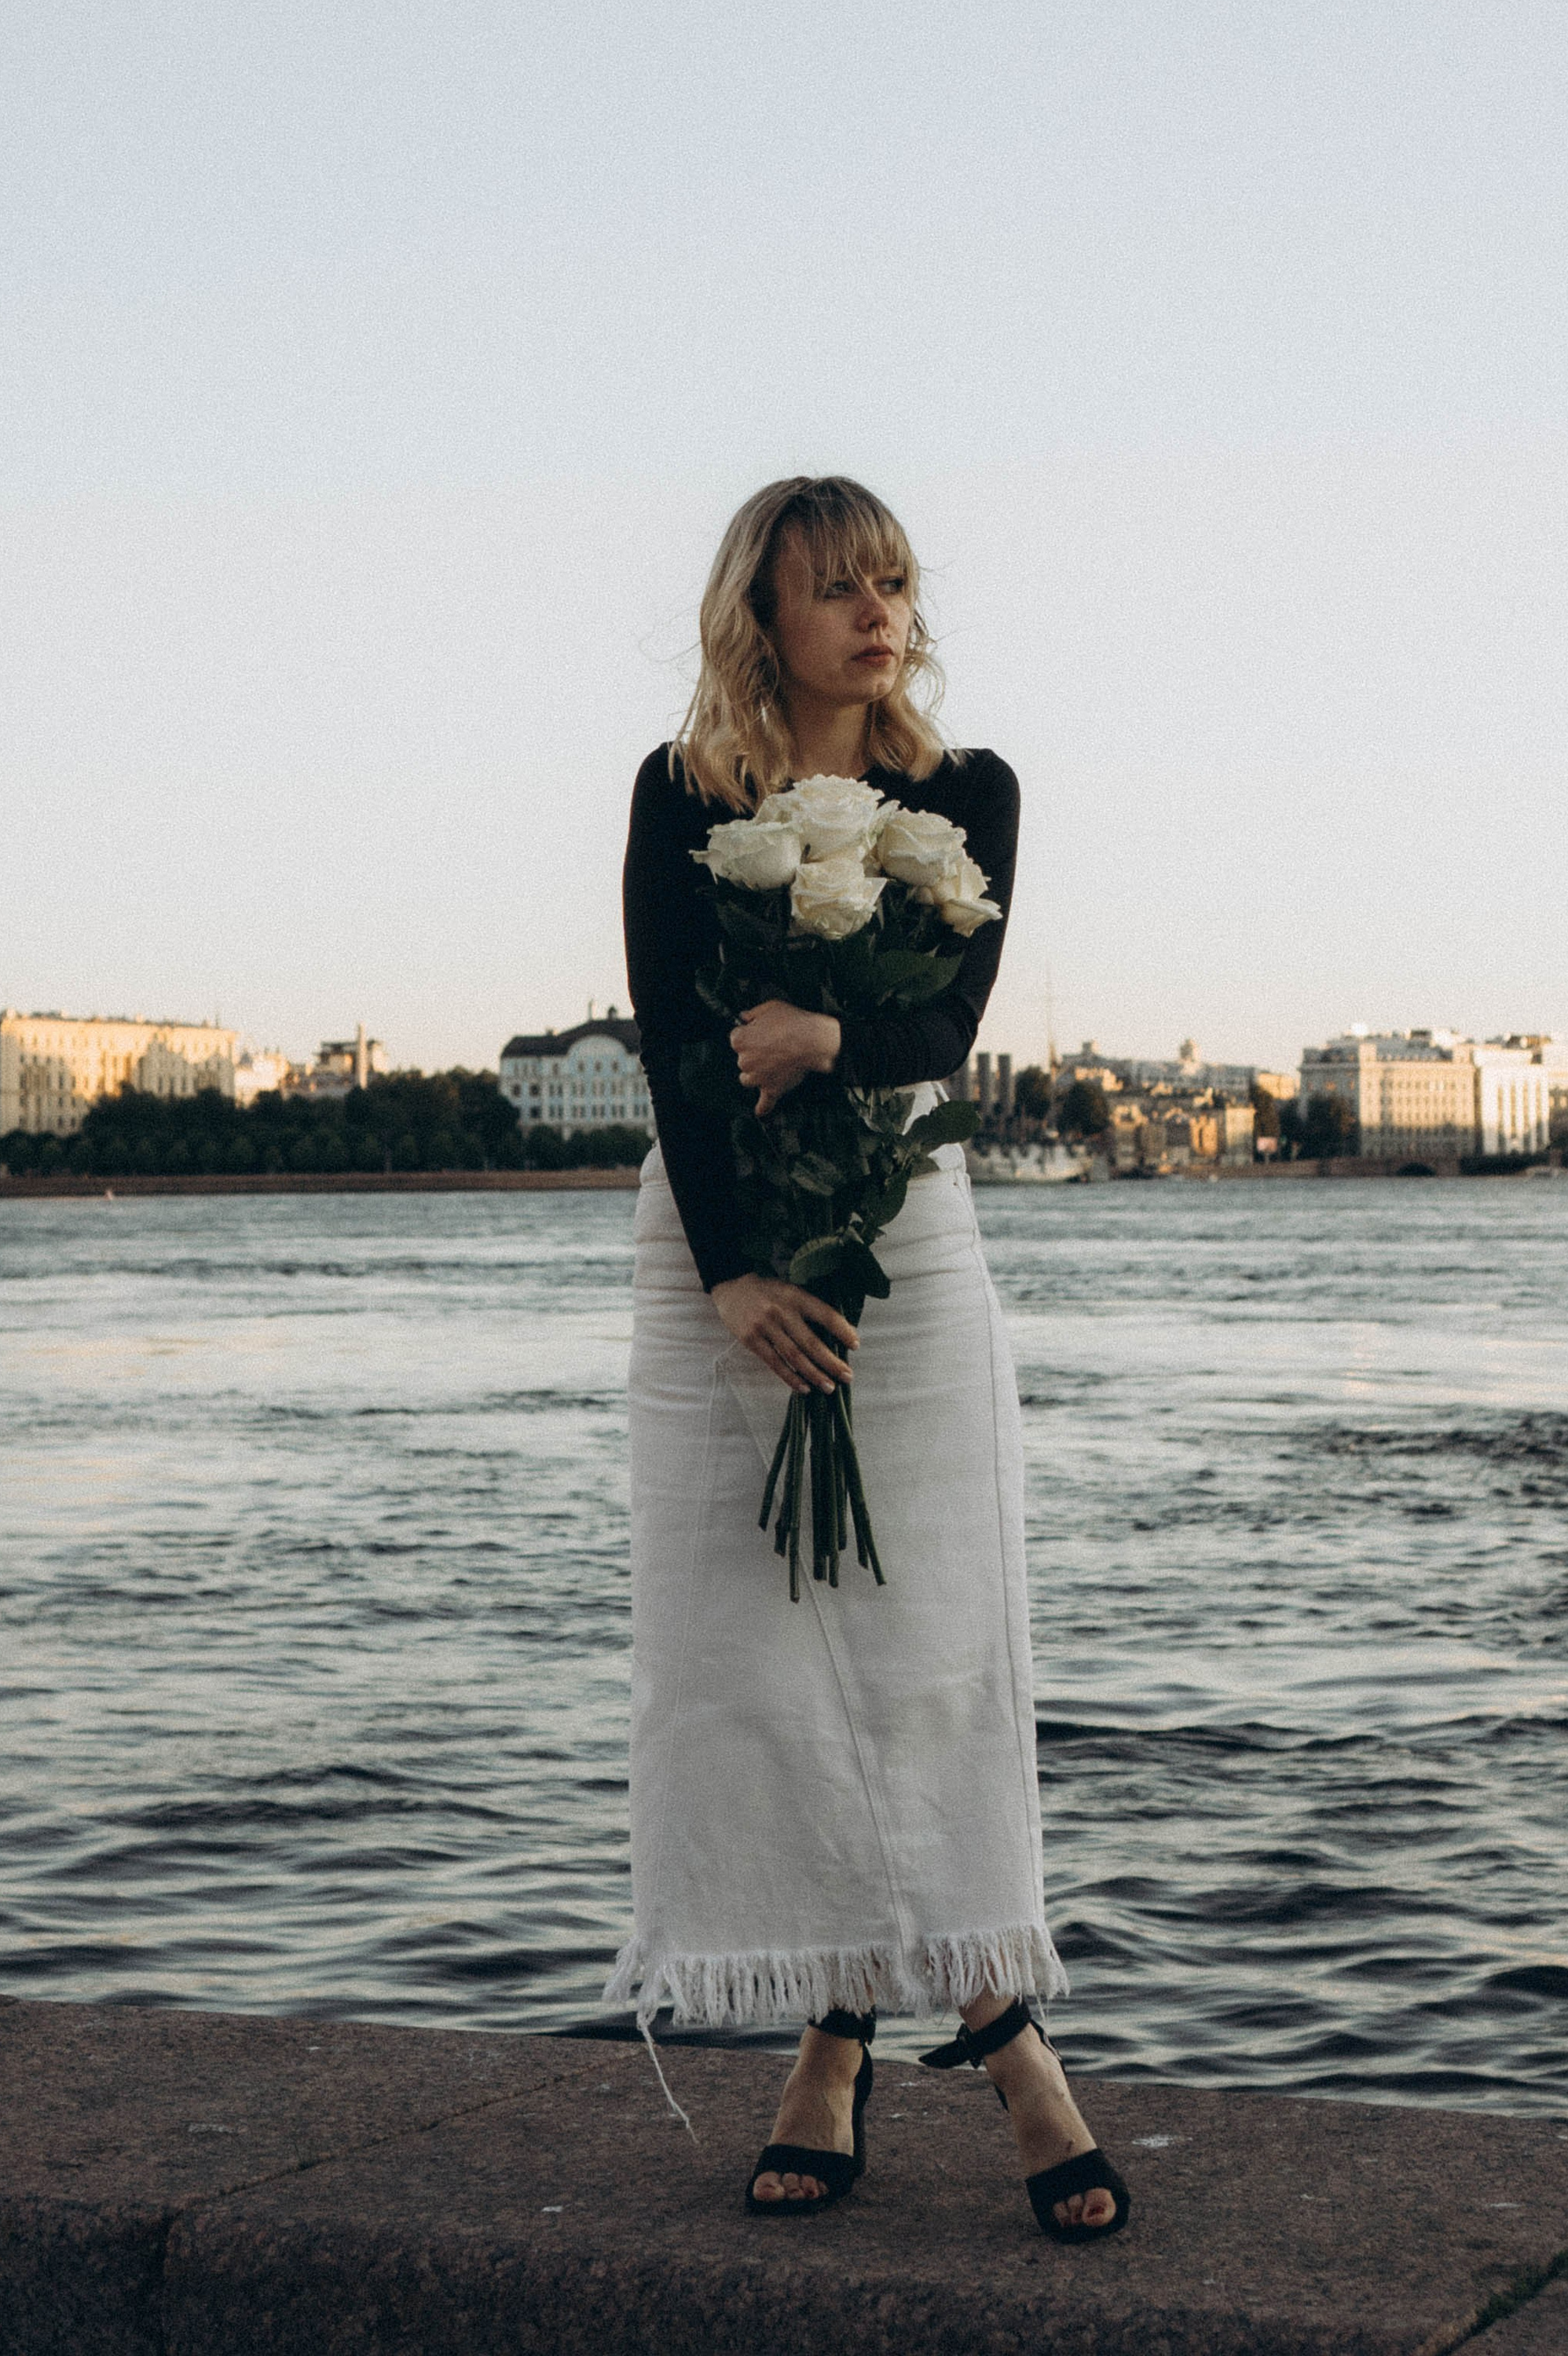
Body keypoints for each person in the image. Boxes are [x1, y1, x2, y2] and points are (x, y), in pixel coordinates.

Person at [605, 472, 1128, 2244]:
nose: (874, 613)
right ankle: (976, 2051)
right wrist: (729, 1276)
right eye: (835, 588)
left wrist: (836, 1028)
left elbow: (949, 1027)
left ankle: (871, 2043)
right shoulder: (681, 798)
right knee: (756, 1655)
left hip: (906, 1233)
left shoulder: (961, 793)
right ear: (763, 614)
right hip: (731, 1252)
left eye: (890, 581)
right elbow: (680, 1054)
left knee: (927, 1649)